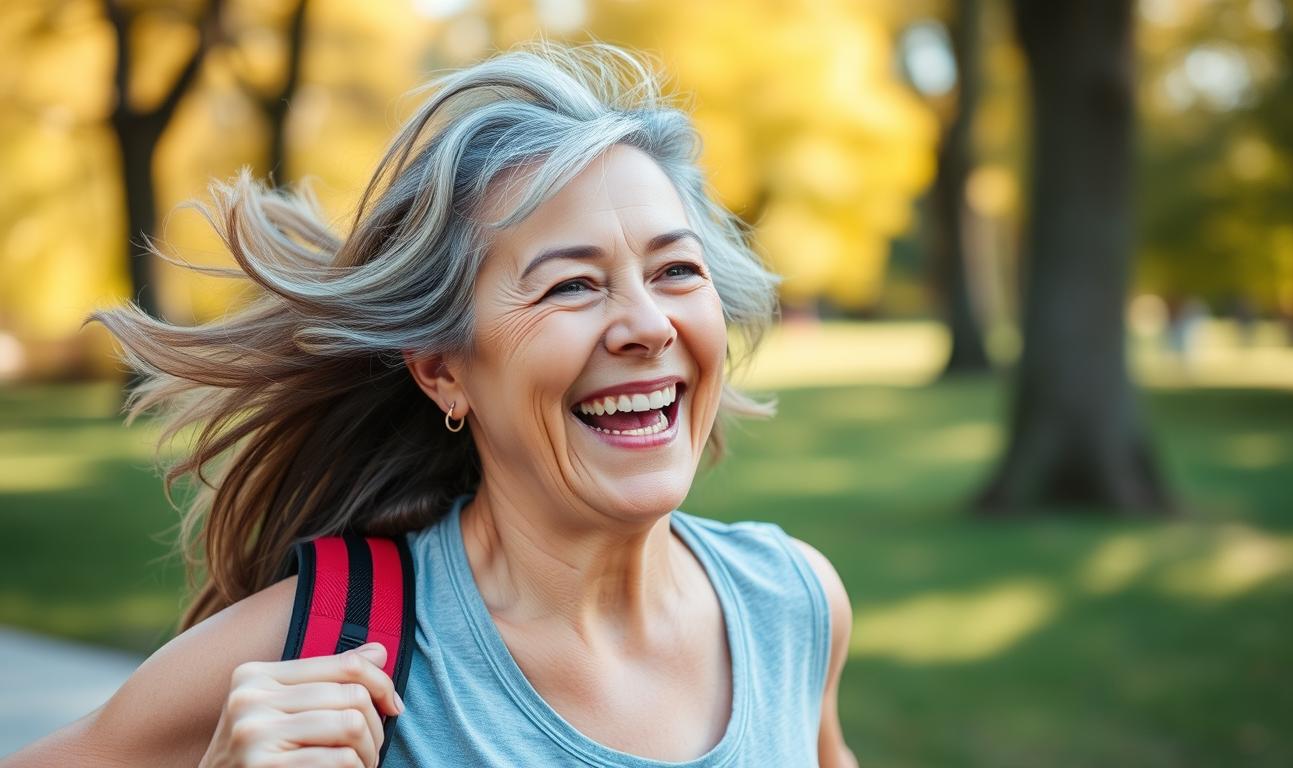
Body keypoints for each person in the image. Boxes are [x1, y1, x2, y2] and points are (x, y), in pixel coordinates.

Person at [4, 42, 856, 767]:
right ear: (443, 371)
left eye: (677, 270)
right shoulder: (316, 652)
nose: (646, 324)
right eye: (571, 285)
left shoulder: (795, 605)